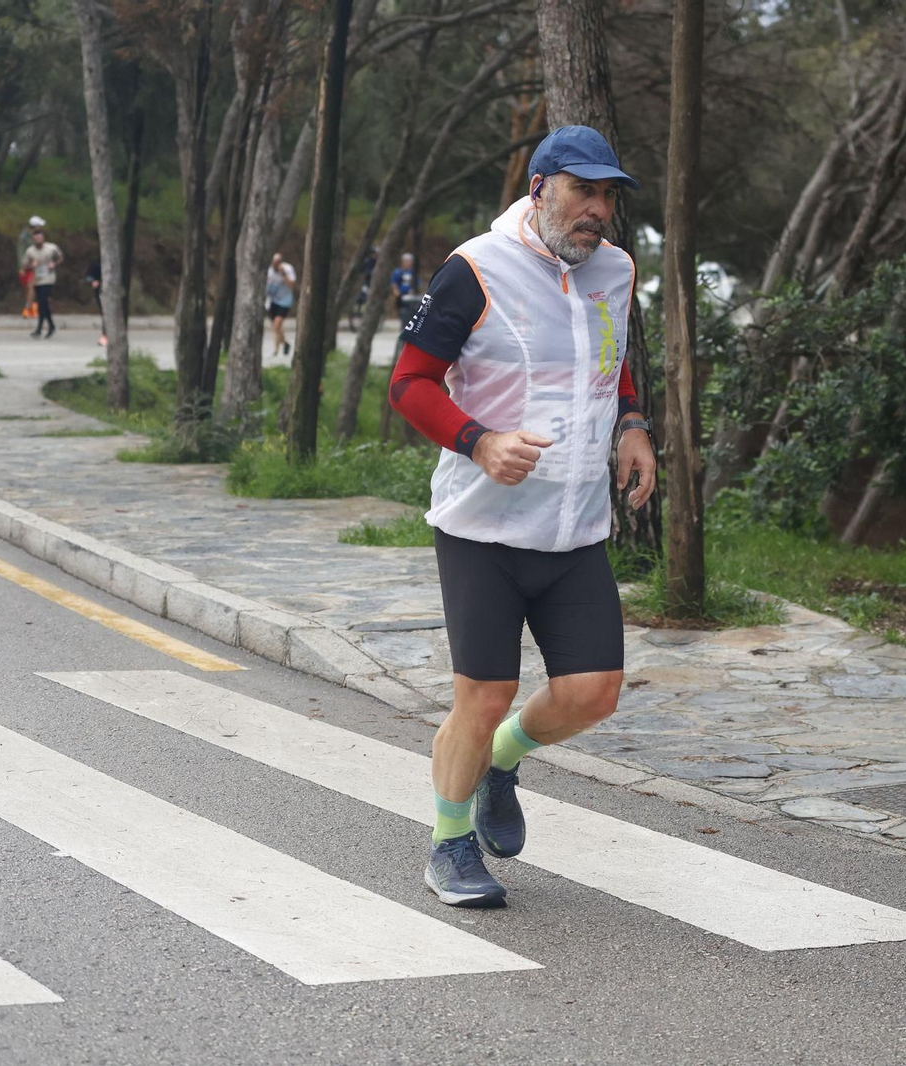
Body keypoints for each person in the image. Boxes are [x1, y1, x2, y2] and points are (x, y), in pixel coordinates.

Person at [388, 126, 656, 907]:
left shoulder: (614, 270)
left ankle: (500, 764)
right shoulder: (475, 268)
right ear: (540, 188)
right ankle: (448, 845)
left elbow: (610, 354)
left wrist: (632, 424)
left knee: (593, 692)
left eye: (608, 195)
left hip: (575, 526)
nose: (598, 210)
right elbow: (410, 382)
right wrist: (479, 442)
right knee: (485, 692)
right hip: (483, 529)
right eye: (583, 191)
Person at [22, 226, 62, 338]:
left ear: (43, 238)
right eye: (36, 238)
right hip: (37, 278)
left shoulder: (51, 248)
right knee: (43, 303)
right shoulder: (30, 251)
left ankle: (39, 329)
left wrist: (54, 264)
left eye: (40, 237)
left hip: (48, 277)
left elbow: (60, 257)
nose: (39, 240)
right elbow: (25, 265)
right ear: (34, 239)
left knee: (42, 301)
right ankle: (51, 325)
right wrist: (31, 265)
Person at [266, 253, 296, 357]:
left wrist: (283, 274)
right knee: (276, 327)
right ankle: (285, 343)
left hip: (284, 301)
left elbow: (291, 284)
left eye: (278, 262)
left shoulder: (287, 269)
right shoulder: (269, 271)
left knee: (277, 324)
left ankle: (276, 350)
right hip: (272, 301)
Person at [389, 252, 420, 327]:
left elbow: (417, 283)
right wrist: (396, 291)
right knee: (402, 310)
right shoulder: (398, 271)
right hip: (401, 295)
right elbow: (394, 282)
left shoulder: (413, 272)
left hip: (410, 295)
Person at [350, 251, 376, 329]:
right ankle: (358, 309)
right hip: (367, 284)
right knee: (362, 296)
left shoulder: (377, 262)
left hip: (373, 285)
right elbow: (362, 270)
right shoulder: (368, 262)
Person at [85, 259, 106, 346]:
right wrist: (93, 281)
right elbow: (88, 276)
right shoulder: (96, 264)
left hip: (113, 294)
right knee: (105, 315)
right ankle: (105, 335)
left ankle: (107, 335)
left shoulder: (116, 264)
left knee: (109, 315)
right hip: (100, 293)